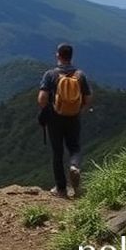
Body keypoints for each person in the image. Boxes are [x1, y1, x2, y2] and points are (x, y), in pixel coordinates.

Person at [38, 43, 92, 198]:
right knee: (74, 147)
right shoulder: (80, 75)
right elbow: (88, 98)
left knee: (57, 152)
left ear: (58, 55)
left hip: (55, 118)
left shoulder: (50, 75)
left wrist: (48, 109)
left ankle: (61, 189)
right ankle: (74, 166)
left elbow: (42, 99)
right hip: (74, 117)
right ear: (71, 56)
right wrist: (79, 110)